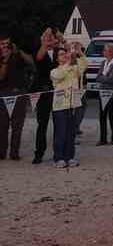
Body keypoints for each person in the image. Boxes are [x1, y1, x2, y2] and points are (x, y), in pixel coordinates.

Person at [50, 44, 87, 168]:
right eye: (61, 54)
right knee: (60, 133)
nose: (64, 55)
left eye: (64, 53)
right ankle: (58, 158)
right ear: (56, 59)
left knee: (71, 134)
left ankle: (70, 157)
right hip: (60, 107)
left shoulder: (73, 69)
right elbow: (60, 75)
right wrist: (70, 62)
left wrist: (79, 53)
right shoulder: (54, 71)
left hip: (73, 105)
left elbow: (84, 65)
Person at [0, 35, 33, 161]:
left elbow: (31, 62)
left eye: (7, 44)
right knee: (2, 126)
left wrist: (18, 51)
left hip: (20, 92)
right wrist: (6, 59)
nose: (5, 46)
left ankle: (14, 153)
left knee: (17, 125)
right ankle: (2, 153)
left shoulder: (18, 54)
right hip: (3, 94)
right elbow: (1, 77)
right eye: (2, 44)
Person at [32, 28, 59, 164]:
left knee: (58, 124)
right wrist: (45, 43)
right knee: (42, 124)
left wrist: (58, 41)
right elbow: (39, 57)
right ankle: (39, 153)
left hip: (57, 92)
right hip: (43, 92)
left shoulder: (58, 51)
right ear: (41, 37)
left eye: (50, 35)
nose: (48, 37)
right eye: (45, 35)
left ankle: (58, 153)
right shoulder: (37, 48)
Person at [96, 42, 113, 145]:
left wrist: (103, 78)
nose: (103, 52)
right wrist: (104, 78)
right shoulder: (103, 63)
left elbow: (112, 79)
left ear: (111, 52)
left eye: (105, 50)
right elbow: (97, 77)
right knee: (102, 116)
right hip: (102, 93)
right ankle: (103, 139)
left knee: (112, 115)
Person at [69, 40, 88, 137]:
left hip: (79, 88)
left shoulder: (79, 61)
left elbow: (85, 64)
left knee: (80, 108)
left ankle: (75, 128)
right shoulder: (68, 61)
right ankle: (73, 129)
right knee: (74, 110)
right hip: (71, 90)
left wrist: (79, 52)